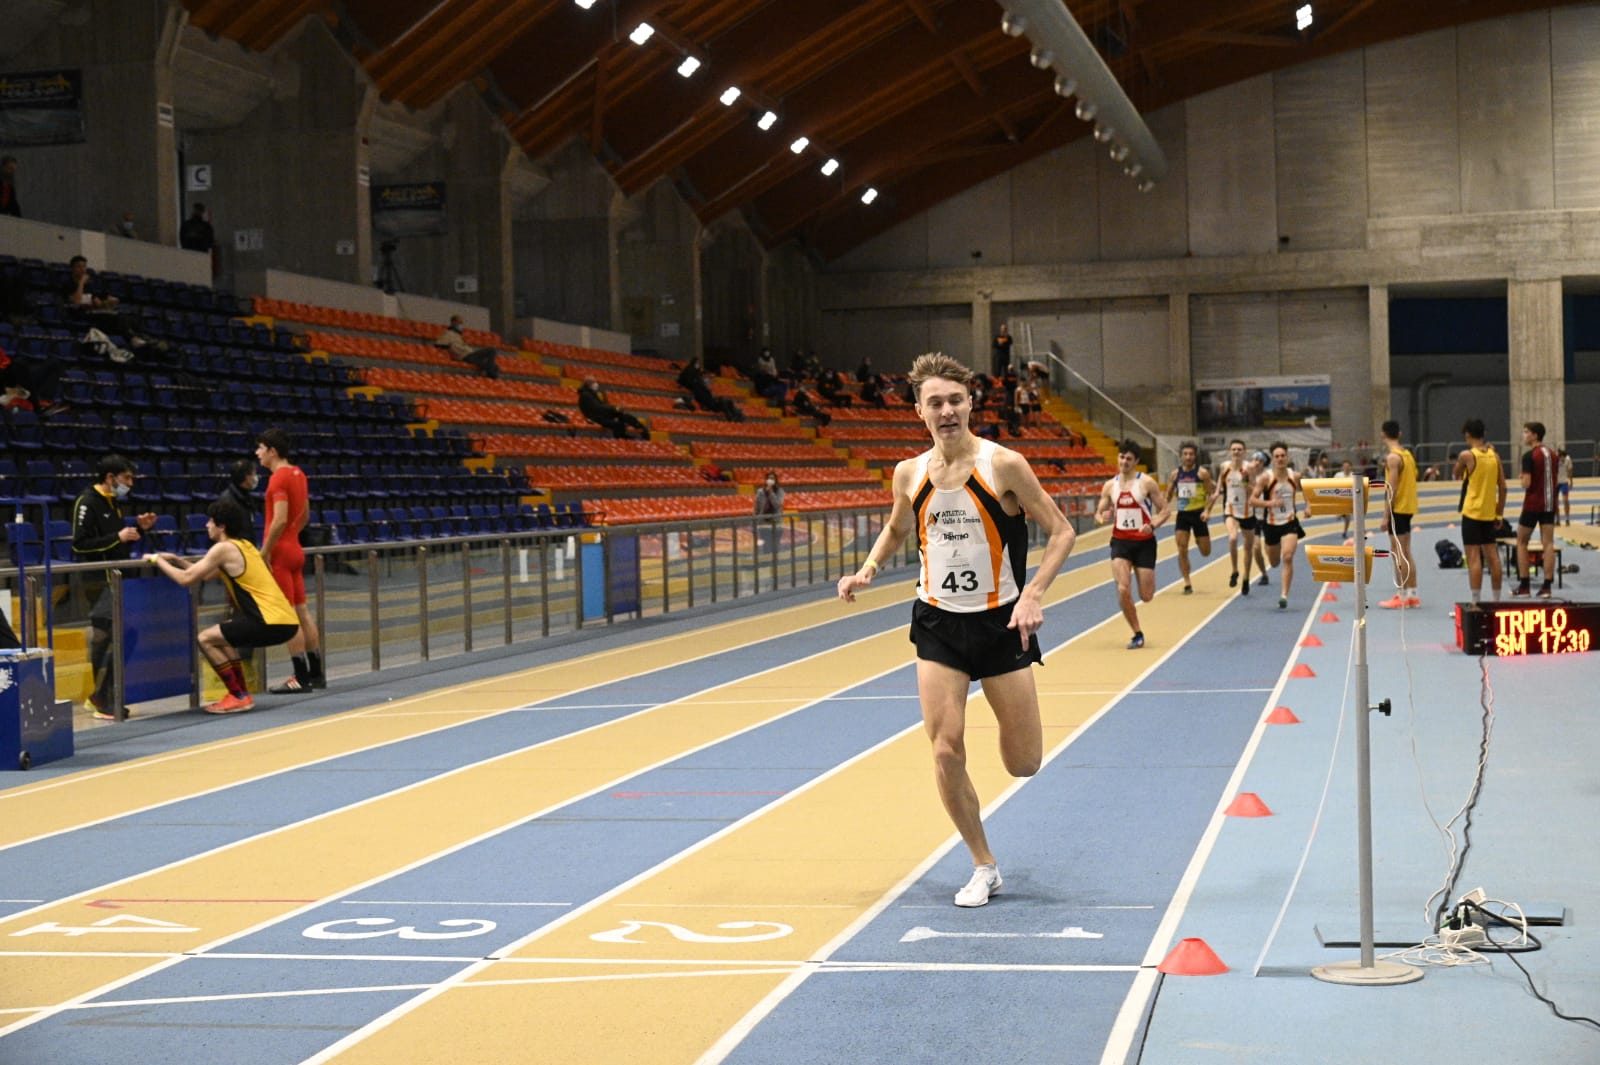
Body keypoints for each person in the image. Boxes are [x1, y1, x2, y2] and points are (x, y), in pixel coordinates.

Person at [836, 352, 1075, 908]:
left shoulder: (1004, 465)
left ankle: (1006, 714)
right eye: (935, 403)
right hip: (938, 621)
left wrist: (1034, 594)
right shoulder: (909, 473)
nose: (946, 411)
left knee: (1024, 763)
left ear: (971, 404)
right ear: (919, 412)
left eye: (955, 401)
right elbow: (898, 527)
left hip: (1001, 620)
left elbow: (1061, 531)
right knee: (945, 749)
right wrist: (867, 569)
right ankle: (983, 864)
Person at [146, 500, 299, 715]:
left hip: (267, 621)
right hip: (285, 621)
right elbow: (206, 574)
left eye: (210, 521)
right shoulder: (244, 546)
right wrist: (176, 560)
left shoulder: (223, 548)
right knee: (223, 637)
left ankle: (238, 695)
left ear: (222, 526)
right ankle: (241, 695)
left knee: (205, 638)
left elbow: (185, 579)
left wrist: (156, 560)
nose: (207, 525)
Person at [71, 455, 158, 720]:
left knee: (116, 636)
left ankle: (100, 693)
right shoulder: (87, 501)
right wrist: (117, 537)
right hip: (97, 581)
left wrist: (138, 530)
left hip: (117, 582)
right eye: (126, 478)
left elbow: (117, 545)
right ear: (110, 477)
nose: (130, 483)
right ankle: (100, 697)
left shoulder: (113, 503)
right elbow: (80, 545)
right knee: (109, 637)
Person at [257, 427, 325, 692]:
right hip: (294, 547)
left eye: (261, 448)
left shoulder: (278, 479)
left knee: (288, 615)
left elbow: (280, 519)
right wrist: (291, 535)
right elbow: (304, 514)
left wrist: (265, 551)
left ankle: (300, 676)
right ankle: (316, 673)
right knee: (303, 611)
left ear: (272, 451)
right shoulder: (299, 474)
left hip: (281, 554)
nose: (258, 453)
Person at [1095, 441, 1170, 648]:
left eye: (1129, 459)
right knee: (1122, 588)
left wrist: (1152, 525)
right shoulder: (1110, 486)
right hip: (1121, 543)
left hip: (1144, 544)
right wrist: (1102, 517)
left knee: (1146, 596)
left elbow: (1165, 510)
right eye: (1122, 457)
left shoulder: (1146, 483)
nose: (1124, 462)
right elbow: (1098, 513)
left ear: (1136, 461)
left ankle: (1140, 571)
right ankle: (1137, 633)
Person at [1453, 418, 1507, 603]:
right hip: (1489, 513)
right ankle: (1496, 600)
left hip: (1472, 513)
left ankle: (1476, 601)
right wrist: (1499, 514)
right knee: (1493, 557)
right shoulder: (1494, 456)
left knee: (1474, 558)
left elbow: (1456, 474)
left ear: (1467, 434)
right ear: (1484, 434)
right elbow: (1503, 487)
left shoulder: (1467, 455)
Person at [1250, 442, 1308, 610]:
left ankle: (1284, 595)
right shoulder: (1266, 478)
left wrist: (1309, 506)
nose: (1280, 459)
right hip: (1271, 524)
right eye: (1277, 456)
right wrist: (1270, 503)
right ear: (1273, 459)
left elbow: (1306, 490)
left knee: (1287, 557)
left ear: (1287, 457)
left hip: (1290, 522)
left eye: (1283, 456)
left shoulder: (1294, 476)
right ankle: (1270, 552)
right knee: (1274, 562)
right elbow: (1252, 500)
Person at [1512, 421, 1559, 598]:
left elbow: (1526, 483)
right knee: (1548, 544)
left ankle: (1524, 586)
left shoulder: (1529, 456)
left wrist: (1522, 477)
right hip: (1549, 504)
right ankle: (1547, 587)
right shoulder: (1552, 454)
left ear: (1535, 435)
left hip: (1533, 503)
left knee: (1521, 541)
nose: (1523, 435)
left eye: (1526, 432)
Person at [1378, 420, 1421, 609]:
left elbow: (1392, 488)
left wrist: (1385, 515)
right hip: (1408, 507)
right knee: (1406, 551)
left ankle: (1402, 595)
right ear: (1400, 434)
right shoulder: (1407, 455)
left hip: (1398, 508)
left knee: (1397, 553)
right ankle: (1412, 595)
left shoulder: (1393, 458)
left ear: (1383, 434)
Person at [1167, 442, 1213, 594]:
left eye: (1191, 454)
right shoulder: (1175, 474)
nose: (1188, 457)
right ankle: (1187, 582)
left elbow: (1211, 494)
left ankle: (1198, 540)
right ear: (1181, 456)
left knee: (1206, 552)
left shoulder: (1202, 473)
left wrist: (1207, 511)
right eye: (1185, 454)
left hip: (1199, 515)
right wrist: (1163, 508)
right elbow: (1168, 495)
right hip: (1183, 515)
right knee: (1182, 549)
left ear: (1195, 456)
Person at [1216, 439, 1258, 593]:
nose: (1236, 452)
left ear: (1244, 452)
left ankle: (1246, 577)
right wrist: (1215, 495)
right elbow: (1220, 484)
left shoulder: (1249, 468)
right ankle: (1234, 571)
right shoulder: (1224, 466)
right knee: (1233, 538)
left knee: (1248, 547)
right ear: (1229, 451)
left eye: (1239, 449)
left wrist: (1245, 480)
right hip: (1230, 509)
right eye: (1234, 449)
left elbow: (1254, 490)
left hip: (1247, 511)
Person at [577, 375, 648, 440]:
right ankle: (622, 438)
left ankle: (640, 428)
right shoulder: (585, 395)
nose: (596, 384)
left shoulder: (590, 393)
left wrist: (616, 409)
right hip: (596, 418)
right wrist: (614, 408)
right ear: (589, 384)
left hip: (600, 415)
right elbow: (597, 407)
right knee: (618, 424)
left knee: (623, 415)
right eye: (594, 382)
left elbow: (601, 407)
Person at [433, 315, 501, 379]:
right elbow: (438, 344)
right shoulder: (448, 334)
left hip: (469, 355)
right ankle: (490, 373)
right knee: (491, 350)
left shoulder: (458, 335)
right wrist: (448, 348)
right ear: (453, 322)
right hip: (465, 356)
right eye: (459, 323)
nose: (461, 325)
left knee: (494, 366)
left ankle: (490, 375)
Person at [216, 458, 262, 542]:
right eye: (254, 474)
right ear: (247, 477)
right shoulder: (227, 500)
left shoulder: (246, 497)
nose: (256, 477)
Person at [753, 470, 784, 552]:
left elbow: (777, 505)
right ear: (766, 480)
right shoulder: (760, 492)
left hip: (776, 523)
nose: (771, 480)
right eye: (769, 478)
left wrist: (771, 493)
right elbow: (757, 507)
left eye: (773, 478)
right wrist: (755, 520)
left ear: (776, 480)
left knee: (775, 547)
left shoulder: (780, 491)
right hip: (764, 524)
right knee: (766, 547)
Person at [1556, 446, 1573, 525]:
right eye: (1562, 458)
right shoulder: (1555, 460)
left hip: (1564, 482)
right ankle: (1557, 519)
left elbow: (1570, 470)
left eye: (1564, 458)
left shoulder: (1568, 459)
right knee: (1555, 502)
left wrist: (1571, 481)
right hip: (1556, 482)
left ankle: (1567, 518)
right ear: (1559, 457)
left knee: (1565, 500)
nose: (1563, 460)